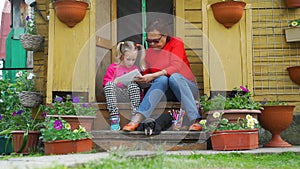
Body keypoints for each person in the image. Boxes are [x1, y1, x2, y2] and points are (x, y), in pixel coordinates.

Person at [122, 19, 202, 132]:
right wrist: (142, 74)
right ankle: (137, 119)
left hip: (185, 87)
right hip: (165, 91)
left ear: (165, 36)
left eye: (156, 41)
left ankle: (194, 120)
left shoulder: (176, 43)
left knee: (174, 77)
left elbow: (176, 67)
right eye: (149, 41)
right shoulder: (149, 52)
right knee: (162, 79)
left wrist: (153, 75)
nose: (152, 44)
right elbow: (149, 76)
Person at [103, 41, 145, 130]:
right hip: (116, 96)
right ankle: (114, 117)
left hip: (130, 96)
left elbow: (139, 89)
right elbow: (106, 84)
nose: (131, 62)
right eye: (128, 59)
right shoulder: (113, 67)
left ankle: (135, 116)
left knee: (133, 85)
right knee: (109, 85)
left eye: (133, 60)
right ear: (122, 56)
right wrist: (115, 82)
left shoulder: (135, 69)